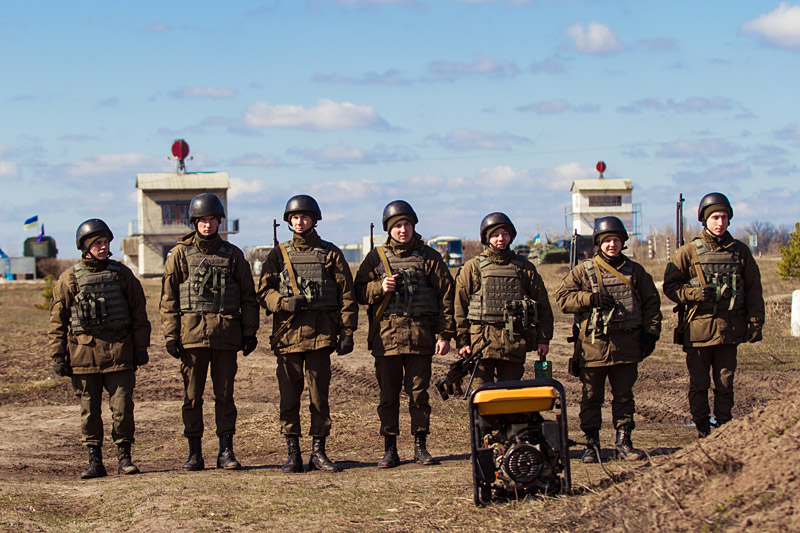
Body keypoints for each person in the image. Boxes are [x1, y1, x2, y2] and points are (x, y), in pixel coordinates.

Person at [257, 195, 358, 473]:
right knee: (289, 397)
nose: (299, 222)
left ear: (314, 219)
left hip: (320, 334)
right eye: (295, 217)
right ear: (289, 221)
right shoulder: (278, 254)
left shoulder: (331, 253)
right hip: (288, 335)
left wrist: (347, 331)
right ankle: (293, 453)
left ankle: (318, 452)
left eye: (304, 217)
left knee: (319, 397)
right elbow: (263, 291)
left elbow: (346, 294)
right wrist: (283, 302)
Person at [160, 193, 259, 471]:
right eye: (202, 220)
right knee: (192, 397)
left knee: (225, 396)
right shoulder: (179, 255)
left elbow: (248, 297)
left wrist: (249, 332)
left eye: (212, 220)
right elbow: (168, 299)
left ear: (219, 222)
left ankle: (226, 451)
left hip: (226, 336)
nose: (207, 225)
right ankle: (194, 452)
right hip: (191, 337)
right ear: (195, 222)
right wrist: (171, 335)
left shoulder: (233, 255)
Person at [354, 200, 455, 469]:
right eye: (397, 225)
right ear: (389, 229)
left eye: (407, 224)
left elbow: (447, 295)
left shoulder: (429, 257)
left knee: (419, 395)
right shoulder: (376, 257)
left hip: (421, 337)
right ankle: (390, 449)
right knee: (388, 396)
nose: (403, 230)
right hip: (386, 338)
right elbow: (358, 292)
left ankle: (420, 446)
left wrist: (445, 335)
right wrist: (379, 287)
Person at [49, 219, 151, 479]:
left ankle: (124, 458)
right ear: (85, 247)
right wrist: (58, 355)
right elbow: (58, 321)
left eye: (105, 242)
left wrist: (140, 347)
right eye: (97, 243)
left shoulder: (122, 274)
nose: (103, 247)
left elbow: (139, 313)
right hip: (83, 357)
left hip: (119, 354)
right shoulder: (69, 279)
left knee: (123, 408)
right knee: (89, 411)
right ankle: (94, 461)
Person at [556, 216, 661, 462]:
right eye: (607, 241)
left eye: (616, 240)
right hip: (593, 346)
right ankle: (591, 444)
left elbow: (651, 305)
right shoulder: (583, 271)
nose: (612, 245)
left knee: (624, 396)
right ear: (599, 243)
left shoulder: (636, 271)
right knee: (591, 397)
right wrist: (589, 299)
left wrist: (651, 334)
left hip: (627, 345)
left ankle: (624, 442)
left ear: (623, 242)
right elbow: (563, 299)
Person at [663, 192, 764, 438]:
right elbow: (670, 287)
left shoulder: (740, 252)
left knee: (725, 382)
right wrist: (694, 294)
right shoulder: (688, 252)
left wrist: (755, 322)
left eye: (724, 217)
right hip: (698, 330)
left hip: (729, 329)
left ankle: (724, 425)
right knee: (699, 383)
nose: (720, 222)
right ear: (704, 220)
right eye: (715, 217)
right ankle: (702, 426)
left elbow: (753, 290)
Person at [454, 212, 554, 388]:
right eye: (495, 235)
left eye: (505, 234)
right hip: (481, 343)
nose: (501, 239)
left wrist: (543, 340)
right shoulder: (473, 268)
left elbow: (543, 306)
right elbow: (459, 307)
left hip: (514, 341)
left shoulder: (525, 268)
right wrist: (462, 341)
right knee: (481, 394)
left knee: (511, 392)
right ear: (487, 238)